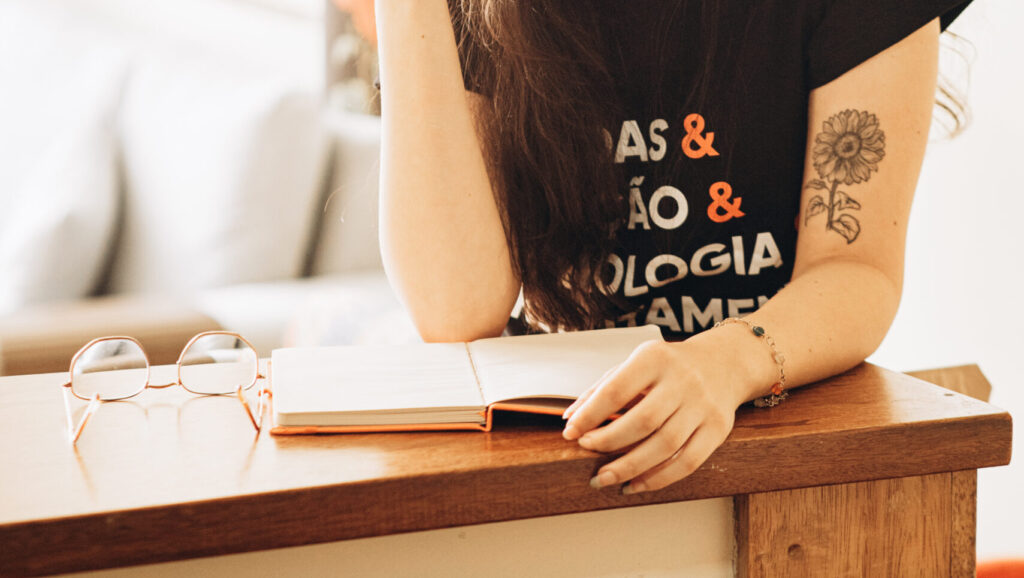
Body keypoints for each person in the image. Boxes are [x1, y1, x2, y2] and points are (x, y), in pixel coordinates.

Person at [373, 0, 972, 494]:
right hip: (554, 449)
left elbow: (855, 268)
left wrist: (726, 362)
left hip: (776, 436)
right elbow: (455, 312)